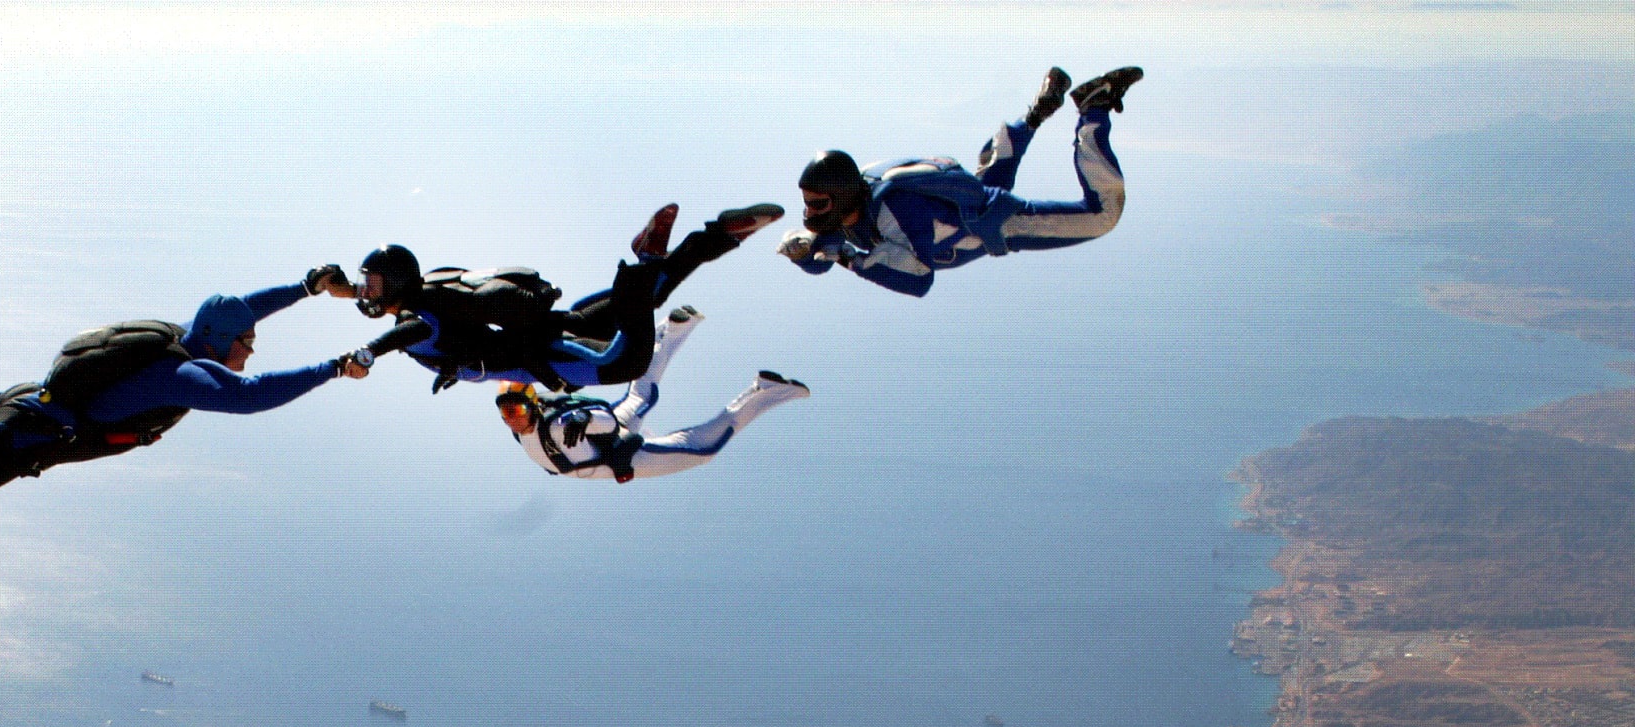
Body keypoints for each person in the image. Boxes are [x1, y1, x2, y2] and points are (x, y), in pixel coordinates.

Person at [0, 278, 367, 511]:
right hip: (21, 436)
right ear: (219, 341)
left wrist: (306, 287)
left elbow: (242, 309)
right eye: (246, 342)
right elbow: (252, 396)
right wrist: (334, 368)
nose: (251, 349)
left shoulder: (179, 335)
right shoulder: (180, 377)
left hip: (22, 401)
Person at [330, 201, 784, 393]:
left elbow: (407, 330)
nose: (366, 292)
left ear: (394, 284)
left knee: (626, 364)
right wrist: (345, 289)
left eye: (372, 284)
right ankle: (718, 236)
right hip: (555, 323)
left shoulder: (414, 319)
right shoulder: (432, 285)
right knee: (645, 298)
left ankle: (647, 257)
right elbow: (403, 304)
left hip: (544, 352)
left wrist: (368, 353)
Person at [773, 66, 1141, 298]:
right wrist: (806, 255)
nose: (810, 212)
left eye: (817, 203)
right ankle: (1035, 113)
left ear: (841, 197)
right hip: (965, 207)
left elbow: (918, 278)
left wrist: (851, 260)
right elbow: (825, 252)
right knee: (987, 181)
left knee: (1102, 216)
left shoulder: (895, 211)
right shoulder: (854, 202)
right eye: (808, 202)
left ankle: (1094, 110)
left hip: (996, 220)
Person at [494, 307, 809, 483]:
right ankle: (671, 329)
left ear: (532, 406)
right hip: (608, 444)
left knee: (703, 449)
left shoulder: (556, 424)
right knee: (642, 394)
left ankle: (764, 392)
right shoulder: (528, 430)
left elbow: (603, 422)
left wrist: (583, 419)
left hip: (618, 452)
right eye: (506, 414)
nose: (512, 420)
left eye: (516, 411)